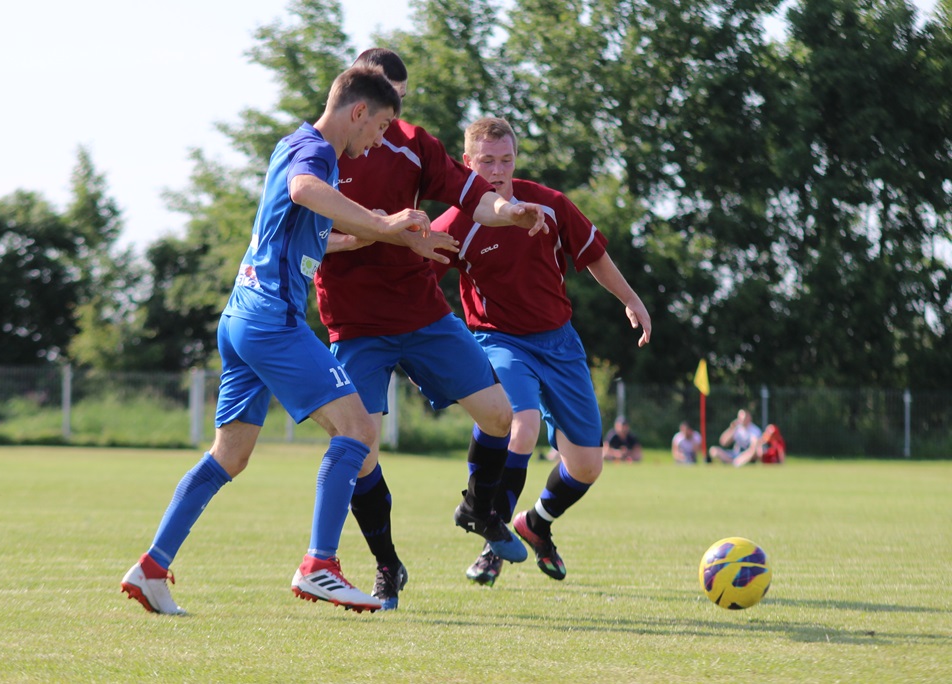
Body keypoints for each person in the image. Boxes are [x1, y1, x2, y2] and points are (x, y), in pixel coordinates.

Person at [120, 66, 453, 616]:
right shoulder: (317, 153)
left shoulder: (292, 144)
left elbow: (309, 234)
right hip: (271, 318)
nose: (379, 141)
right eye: (380, 126)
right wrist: (386, 222)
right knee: (359, 429)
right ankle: (319, 566)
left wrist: (386, 234)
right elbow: (305, 190)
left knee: (229, 455)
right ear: (358, 112)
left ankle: (154, 567)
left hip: (241, 315)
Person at [315, 49, 548, 609]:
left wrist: (508, 211)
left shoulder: (415, 144)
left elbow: (472, 198)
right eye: (386, 104)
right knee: (359, 446)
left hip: (421, 312)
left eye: (402, 101)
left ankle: (478, 508)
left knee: (500, 415)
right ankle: (386, 565)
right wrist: (384, 232)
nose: (394, 117)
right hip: (354, 323)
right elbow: (307, 237)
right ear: (360, 101)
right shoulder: (318, 153)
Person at [432, 116, 652, 587]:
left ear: (516, 160)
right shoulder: (456, 220)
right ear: (467, 163)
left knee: (588, 466)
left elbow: (592, 254)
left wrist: (631, 299)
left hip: (560, 343)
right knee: (522, 424)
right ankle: (494, 540)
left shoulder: (548, 205)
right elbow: (417, 279)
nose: (496, 169)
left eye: (505, 160)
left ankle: (536, 523)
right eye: (486, 161)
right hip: (499, 339)